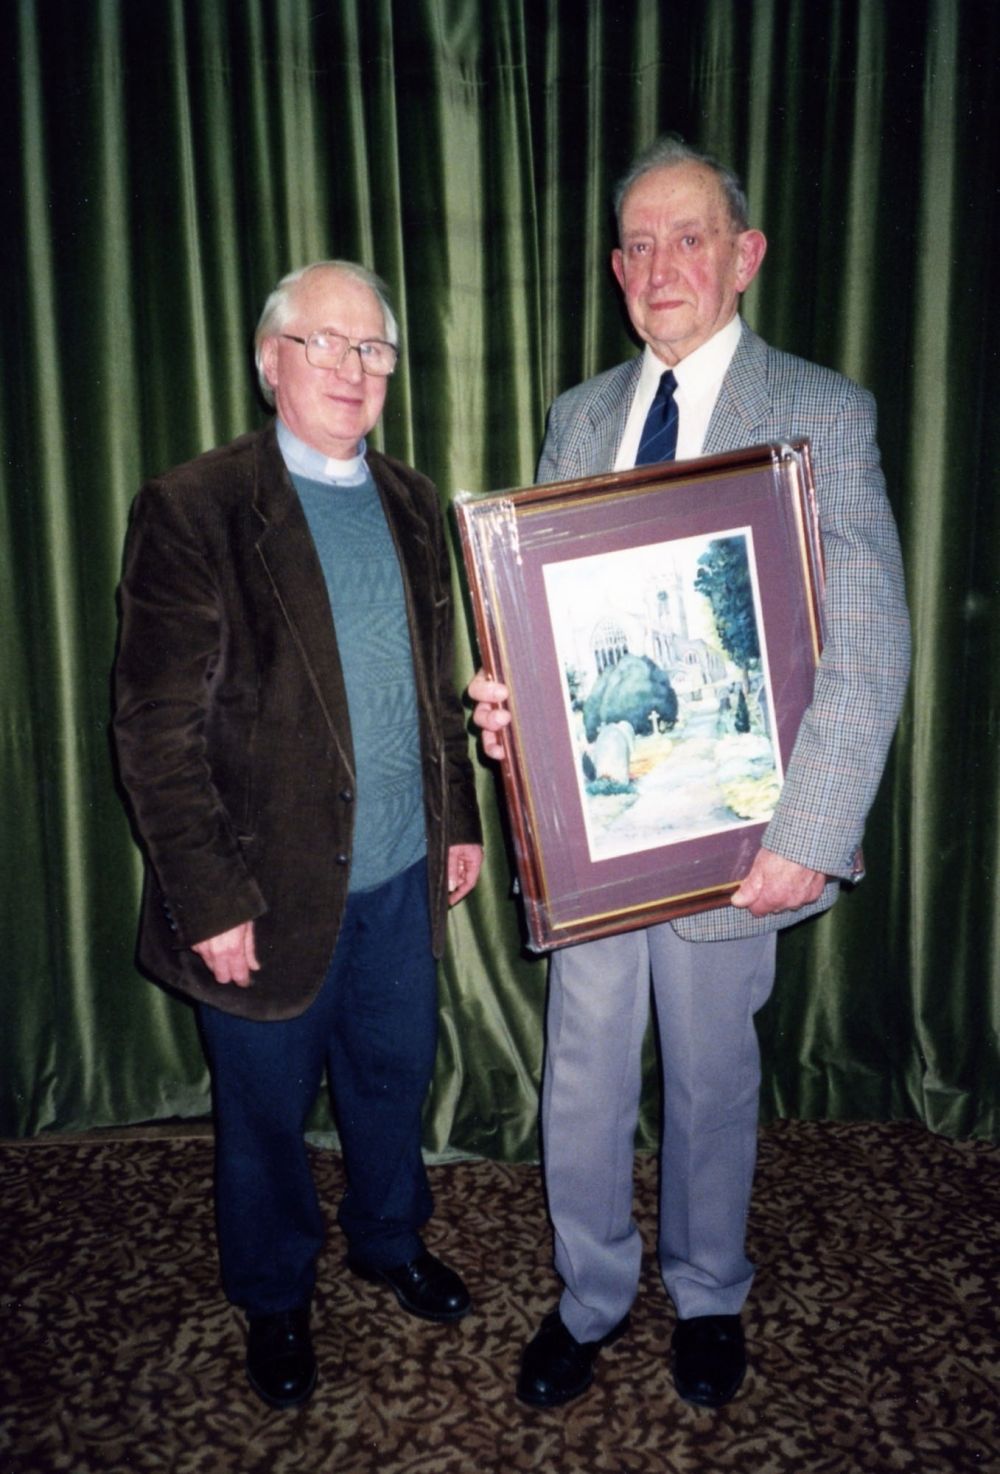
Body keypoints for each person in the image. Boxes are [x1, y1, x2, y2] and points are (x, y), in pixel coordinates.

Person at [470, 137, 910, 1411]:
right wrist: (513, 708)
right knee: (586, 1066)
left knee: (714, 1074)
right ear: (617, 270)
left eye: (691, 238)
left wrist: (811, 830)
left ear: (744, 256)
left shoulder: (824, 412)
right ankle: (590, 1293)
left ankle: (710, 1287)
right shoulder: (576, 414)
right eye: (640, 245)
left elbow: (871, 642)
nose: (664, 265)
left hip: (742, 830)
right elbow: (546, 626)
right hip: (597, 831)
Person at [115, 260, 483, 1409]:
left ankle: (387, 1240)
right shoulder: (195, 507)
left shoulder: (415, 500)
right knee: (264, 1120)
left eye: (373, 350)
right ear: (271, 359)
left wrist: (457, 818)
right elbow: (153, 730)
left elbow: (433, 680)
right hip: (258, 892)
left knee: (392, 1080)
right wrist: (207, 895)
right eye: (325, 344)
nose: (352, 369)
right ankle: (273, 1297)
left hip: (400, 873)